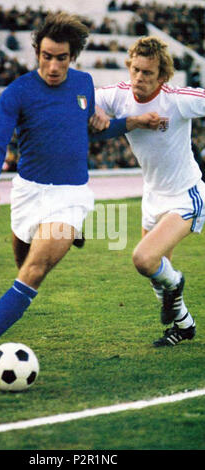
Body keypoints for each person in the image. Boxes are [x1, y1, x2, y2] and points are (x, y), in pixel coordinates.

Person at [0, 14, 160, 367]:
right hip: (28, 193)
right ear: (36, 52)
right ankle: (67, 234)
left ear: (72, 56)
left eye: (61, 57)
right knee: (23, 265)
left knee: (35, 270)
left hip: (70, 195)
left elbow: (93, 130)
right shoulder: (17, 92)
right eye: (46, 56)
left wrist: (131, 122)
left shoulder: (84, 84)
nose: (53, 65)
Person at [95, 36, 205, 347]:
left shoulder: (177, 99)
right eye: (135, 70)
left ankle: (177, 285)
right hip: (152, 197)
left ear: (162, 76)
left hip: (186, 195)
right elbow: (82, 101)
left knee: (144, 258)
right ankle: (184, 325)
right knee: (157, 274)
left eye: (147, 73)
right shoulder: (119, 95)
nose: (139, 79)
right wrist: (96, 112)